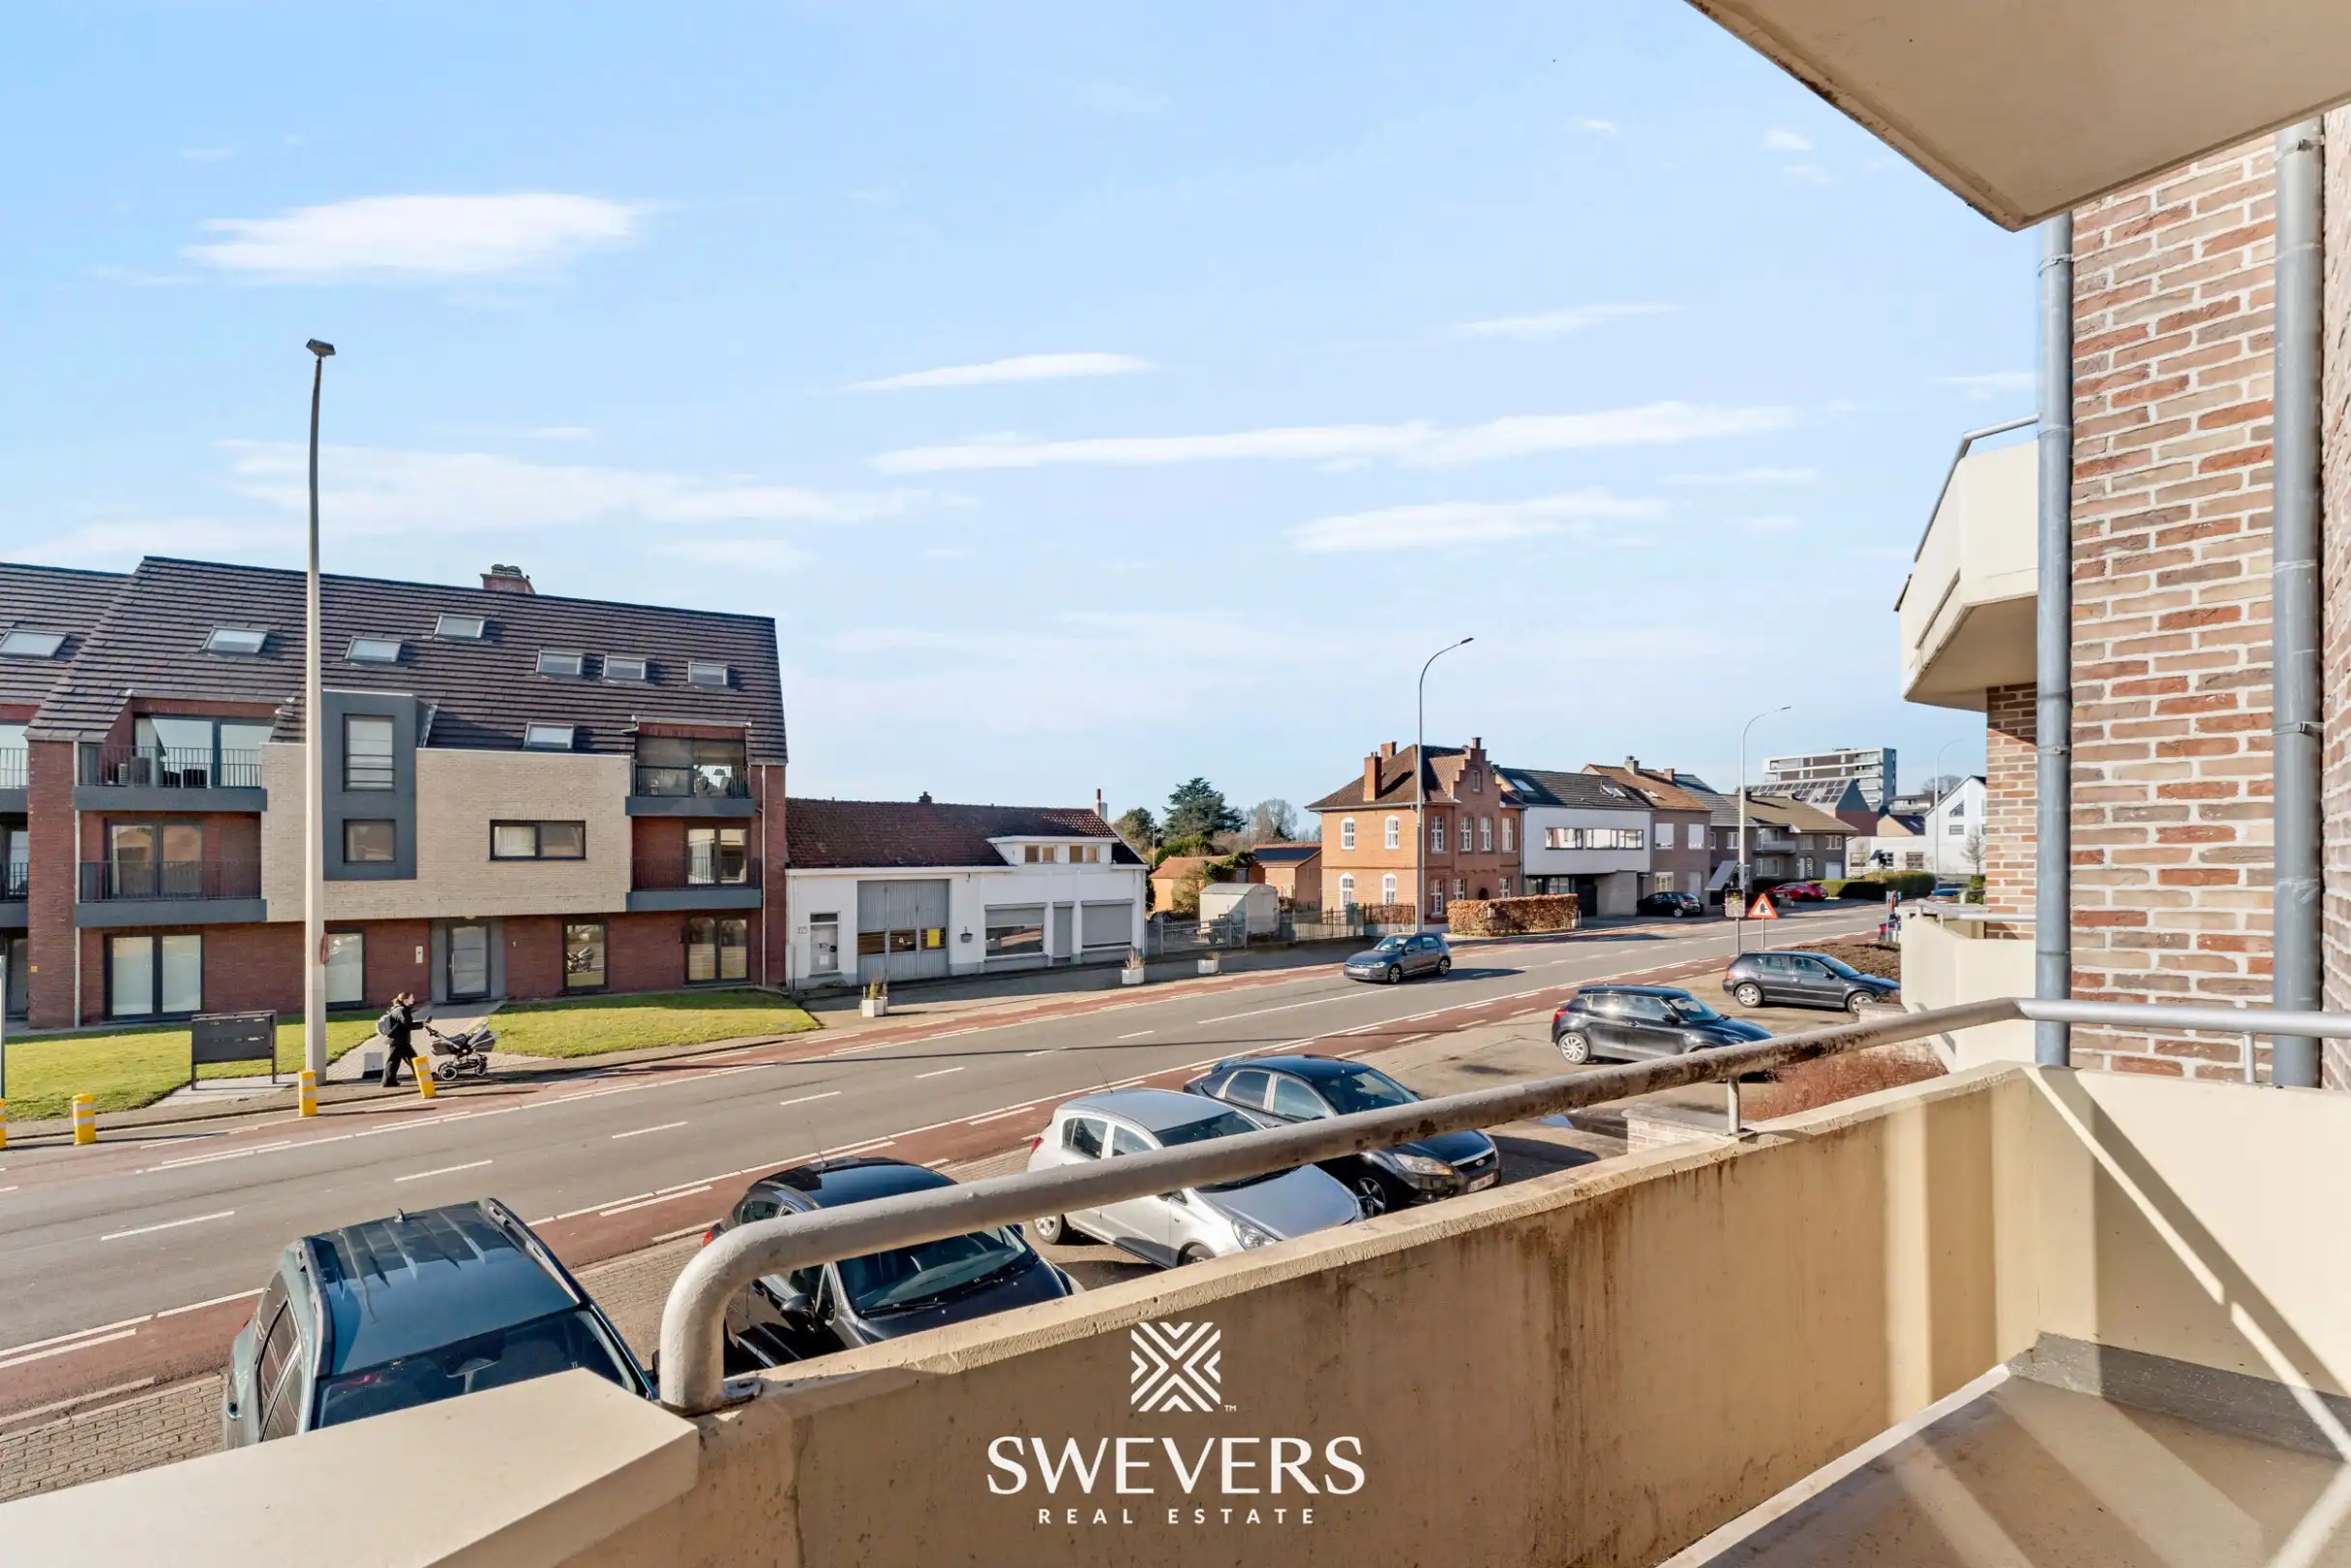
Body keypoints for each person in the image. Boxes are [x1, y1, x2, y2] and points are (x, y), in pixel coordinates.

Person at [377, 992, 420, 1088]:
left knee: (413, 1059)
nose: (413, 999)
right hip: (398, 1041)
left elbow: (404, 1024)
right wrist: (421, 1024)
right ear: (405, 1000)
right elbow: (407, 1024)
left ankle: (421, 1076)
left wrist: (421, 1024)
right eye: (412, 998)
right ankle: (387, 1082)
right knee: (393, 1062)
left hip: (401, 1040)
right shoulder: (401, 1010)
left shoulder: (399, 1009)